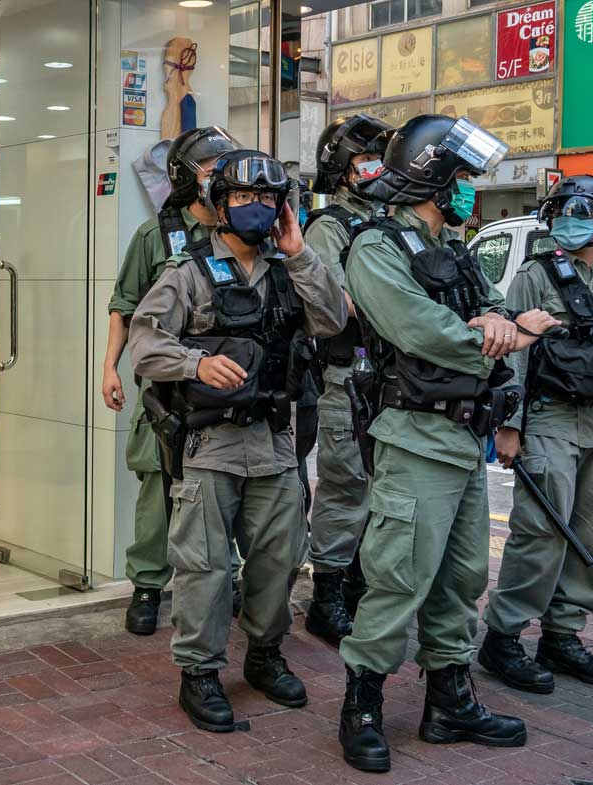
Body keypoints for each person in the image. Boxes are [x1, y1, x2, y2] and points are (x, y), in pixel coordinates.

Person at [333, 114, 560, 773]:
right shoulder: (375, 246)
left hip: (464, 438)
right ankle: (362, 704)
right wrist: (500, 332)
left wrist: (507, 321)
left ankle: (450, 700)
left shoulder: (455, 249)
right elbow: (420, 328)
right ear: (432, 177)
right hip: (414, 438)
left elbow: (492, 307)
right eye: (462, 178)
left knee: (461, 577)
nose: (470, 191)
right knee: (397, 575)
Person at [129, 149, 348, 732]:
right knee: (202, 567)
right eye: (244, 199)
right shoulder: (189, 271)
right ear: (220, 205)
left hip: (276, 446)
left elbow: (333, 322)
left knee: (278, 562)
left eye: (267, 200)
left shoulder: (291, 267)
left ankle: (264, 655)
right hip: (211, 446)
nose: (256, 209)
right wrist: (196, 364)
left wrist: (300, 252)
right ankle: (198, 672)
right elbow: (144, 346)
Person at [480, 175, 593, 695]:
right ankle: (504, 637)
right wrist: (509, 425)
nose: (569, 223)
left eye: (582, 213)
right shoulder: (535, 274)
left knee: (588, 533)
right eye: (561, 214)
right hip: (549, 418)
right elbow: (517, 351)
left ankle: (563, 635)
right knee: (541, 531)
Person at [103, 126, 240, 636]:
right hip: (167, 388)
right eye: (211, 171)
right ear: (188, 179)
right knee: (158, 490)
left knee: (229, 489)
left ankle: (231, 579)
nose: (221, 179)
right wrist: (109, 368)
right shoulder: (156, 236)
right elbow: (123, 305)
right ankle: (146, 585)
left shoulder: (246, 229)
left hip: (229, 386)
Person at [300, 113, 391, 646]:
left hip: (390, 377)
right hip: (348, 376)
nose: (376, 168)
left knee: (383, 490)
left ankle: (359, 584)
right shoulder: (330, 226)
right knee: (344, 487)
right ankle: (326, 593)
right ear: (341, 168)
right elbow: (338, 304)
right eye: (365, 159)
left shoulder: (389, 219)